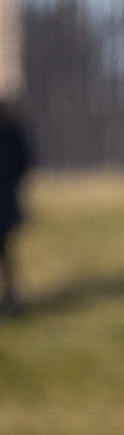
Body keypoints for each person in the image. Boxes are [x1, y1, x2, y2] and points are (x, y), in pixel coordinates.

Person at [0, 99, 32, 315]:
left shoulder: (13, 133)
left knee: (5, 251)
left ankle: (12, 294)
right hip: (7, 202)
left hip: (6, 204)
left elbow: (25, 161)